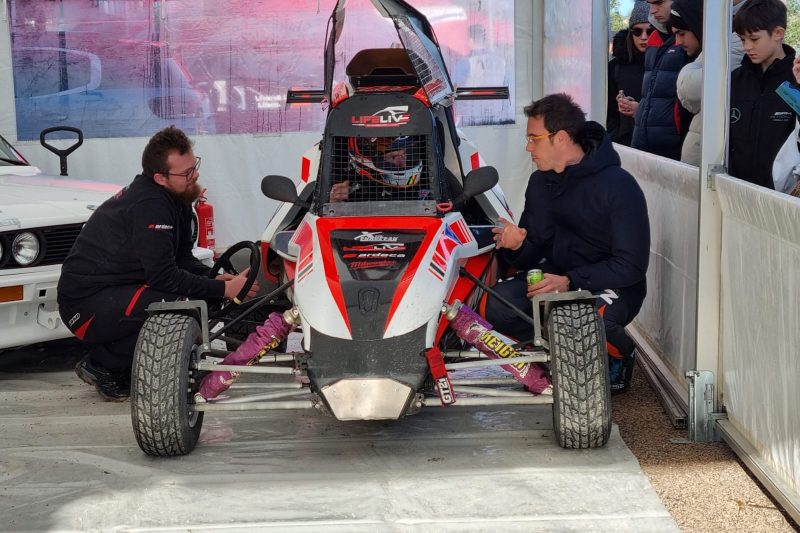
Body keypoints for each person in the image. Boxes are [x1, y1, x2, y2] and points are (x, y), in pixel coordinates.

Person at [57, 126, 258, 401]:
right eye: (186, 173)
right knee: (186, 305)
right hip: (85, 305)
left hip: (118, 290)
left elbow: (182, 258)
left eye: (195, 166)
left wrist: (215, 278)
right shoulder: (149, 204)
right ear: (160, 177)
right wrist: (224, 289)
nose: (195, 175)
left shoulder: (178, 196)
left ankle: (127, 363)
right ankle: (101, 364)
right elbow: (163, 276)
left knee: (202, 298)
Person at [486, 93, 650, 394]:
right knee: (494, 304)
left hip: (612, 283)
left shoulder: (619, 185)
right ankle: (557, 353)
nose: (528, 147)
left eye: (534, 139)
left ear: (560, 138)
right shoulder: (540, 182)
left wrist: (570, 281)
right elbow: (532, 252)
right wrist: (517, 245)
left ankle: (620, 355)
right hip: (557, 276)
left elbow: (631, 266)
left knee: (592, 320)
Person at [729, 0, 797, 190]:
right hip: (734, 192)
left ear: (778, 33)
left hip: (782, 197)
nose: (747, 47)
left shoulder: (796, 81)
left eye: (754, 39)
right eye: (743, 39)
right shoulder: (734, 80)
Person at [673, 0, 747, 166]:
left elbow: (691, 88)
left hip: (713, 163)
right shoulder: (717, 42)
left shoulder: (736, 39)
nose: (677, 42)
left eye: (681, 33)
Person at [630, 0, 691, 160]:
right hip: (643, 139)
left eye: (658, 3)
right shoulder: (655, 37)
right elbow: (650, 92)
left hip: (675, 146)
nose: (652, 10)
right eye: (650, 4)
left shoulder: (692, 35)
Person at [329, 135, 430, 203]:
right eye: (393, 157)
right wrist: (335, 203)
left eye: (406, 154)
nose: (403, 164)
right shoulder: (345, 183)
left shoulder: (426, 182)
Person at [606, 0, 651, 146]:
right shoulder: (615, 66)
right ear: (630, 33)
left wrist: (639, 111)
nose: (644, 37)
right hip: (624, 143)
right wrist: (616, 135)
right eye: (637, 31)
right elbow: (609, 111)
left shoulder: (666, 63)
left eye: (649, 31)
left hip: (657, 146)